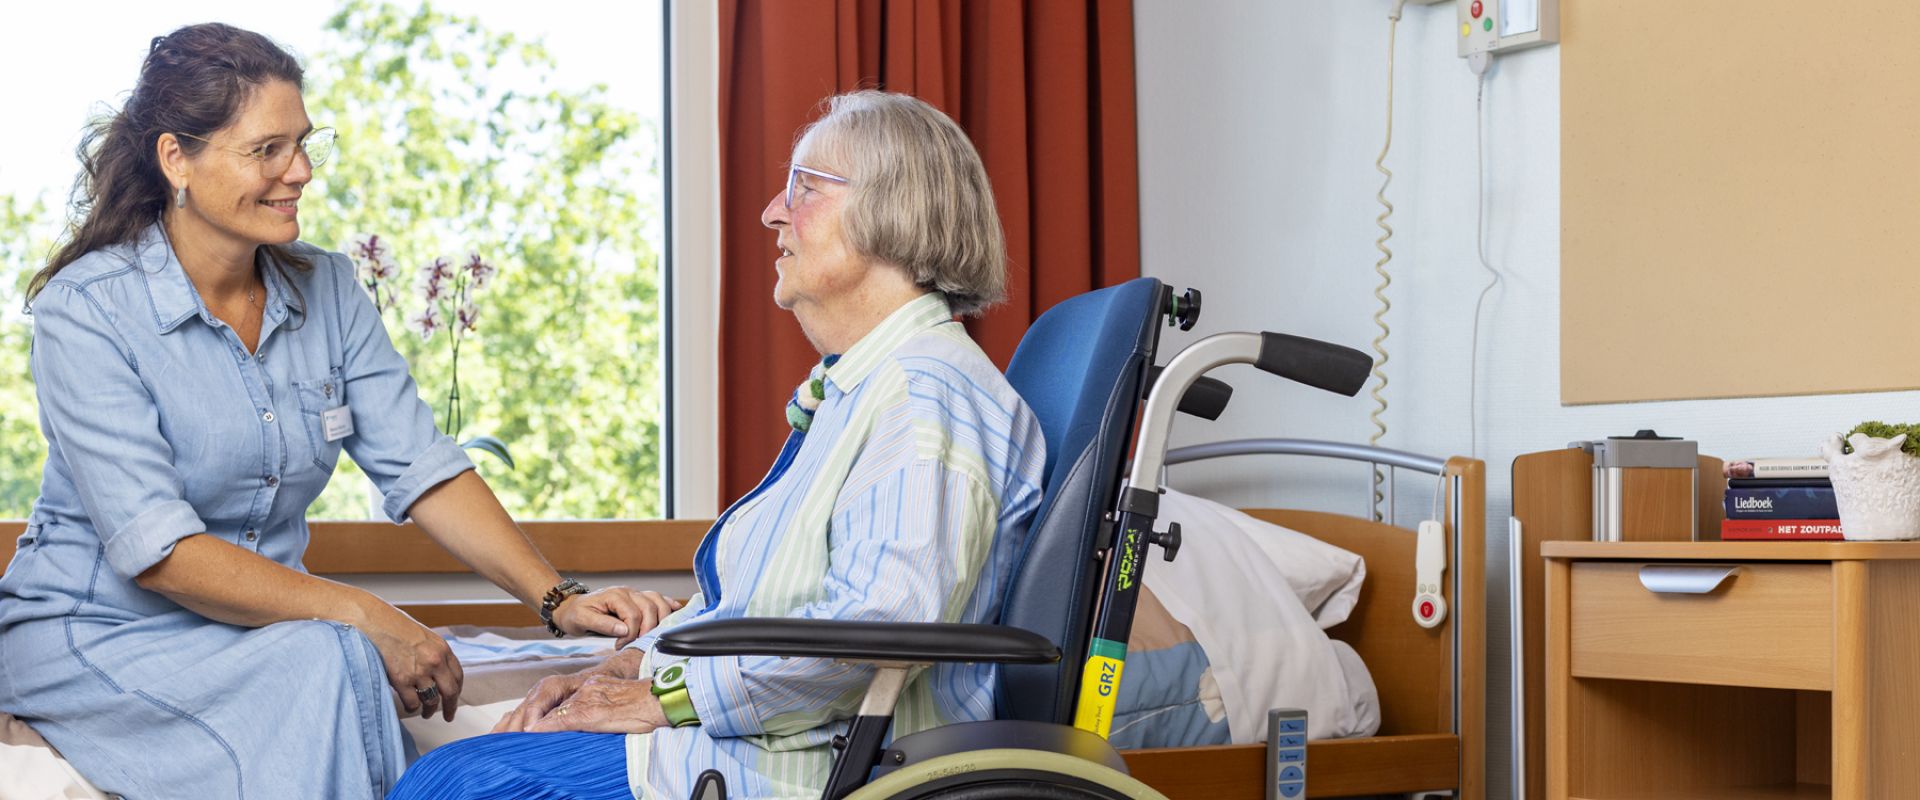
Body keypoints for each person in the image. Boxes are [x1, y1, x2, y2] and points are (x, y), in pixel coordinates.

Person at [0, 23, 677, 799]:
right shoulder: (85, 309)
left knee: (330, 654)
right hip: (95, 635)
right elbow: (160, 551)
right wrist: (367, 615)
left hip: (256, 634)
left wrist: (557, 601)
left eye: (305, 143)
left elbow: (422, 466)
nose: (302, 172)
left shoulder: (325, 288)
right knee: (332, 653)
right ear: (175, 158)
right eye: (268, 151)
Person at [389, 90, 1047, 800]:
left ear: (891, 210)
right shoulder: (867, 392)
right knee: (458, 769)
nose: (773, 211)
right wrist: (627, 665)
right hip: (775, 738)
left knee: (458, 786)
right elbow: (761, 604)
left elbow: (878, 625)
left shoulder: (926, 399)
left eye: (805, 187)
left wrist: (662, 697)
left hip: (810, 763)